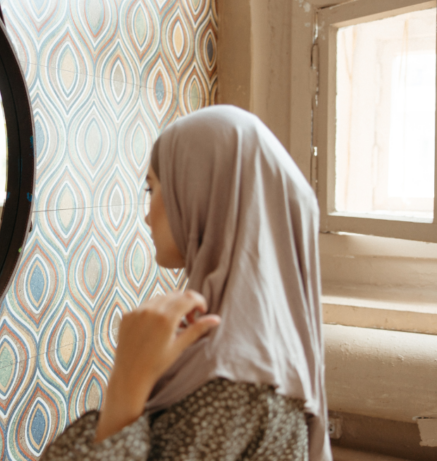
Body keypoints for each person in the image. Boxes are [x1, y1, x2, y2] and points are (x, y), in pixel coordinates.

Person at [41, 105, 330, 460]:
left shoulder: (227, 390)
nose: (147, 215)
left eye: (152, 188)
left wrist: (126, 384)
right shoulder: (263, 352)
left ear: (201, 194)